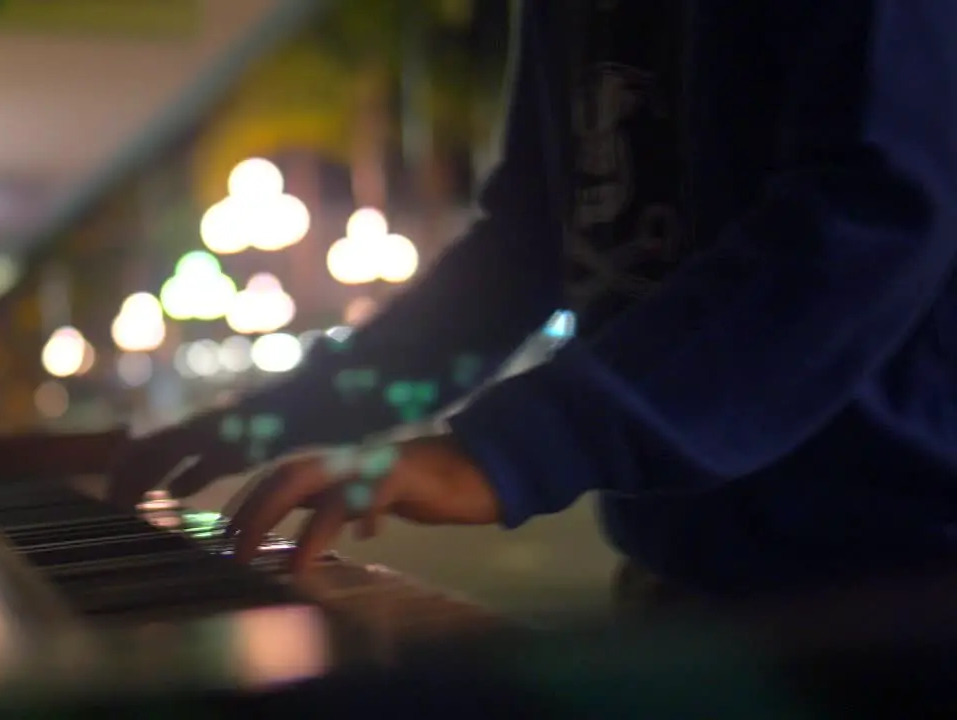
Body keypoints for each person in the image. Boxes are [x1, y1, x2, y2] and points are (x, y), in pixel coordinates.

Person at [108, 0, 957, 605]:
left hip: (898, 586)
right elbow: (525, 251)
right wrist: (275, 419)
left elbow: (871, 214)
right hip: (686, 583)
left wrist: (507, 454)